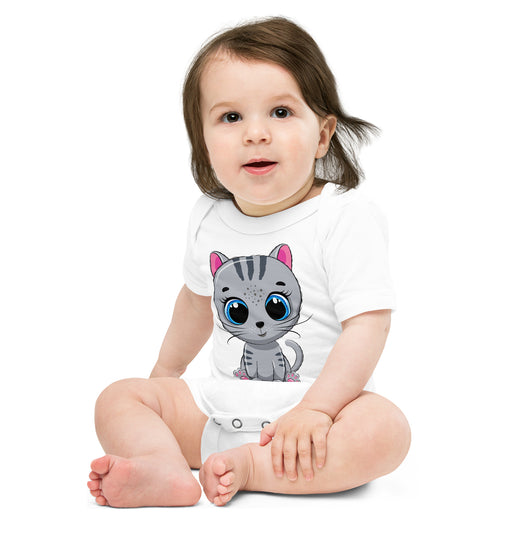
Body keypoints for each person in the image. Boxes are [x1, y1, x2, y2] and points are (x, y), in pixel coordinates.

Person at [87, 16, 411, 508]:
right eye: (231, 117)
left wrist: (317, 410)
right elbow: (195, 303)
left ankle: (253, 467)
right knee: (119, 398)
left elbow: (368, 324)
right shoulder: (208, 218)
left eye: (281, 112)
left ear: (323, 135)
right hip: (220, 407)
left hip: (320, 417)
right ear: (202, 141)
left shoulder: (343, 216)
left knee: (386, 430)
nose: (256, 134)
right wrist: (164, 376)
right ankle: (162, 464)